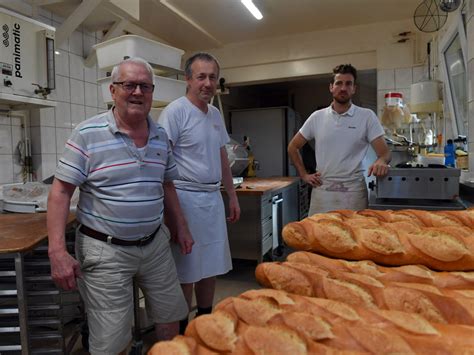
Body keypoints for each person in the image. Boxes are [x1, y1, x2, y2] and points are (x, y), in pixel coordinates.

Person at [47, 57, 193, 355]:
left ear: (152, 92)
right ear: (113, 91)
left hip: (155, 246)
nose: (137, 92)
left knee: (171, 320)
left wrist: (181, 225)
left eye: (145, 86)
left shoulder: (161, 135)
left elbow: (166, 184)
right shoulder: (87, 134)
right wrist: (57, 251)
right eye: (129, 85)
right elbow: (61, 192)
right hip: (106, 250)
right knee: (111, 341)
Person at [159, 52, 240, 333]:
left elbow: (221, 156)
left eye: (212, 77)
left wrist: (231, 195)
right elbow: (161, 161)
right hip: (185, 198)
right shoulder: (175, 111)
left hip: (212, 199)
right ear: (188, 79)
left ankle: (204, 323)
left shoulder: (215, 113)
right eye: (201, 76)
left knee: (212, 265)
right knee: (188, 269)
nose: (207, 83)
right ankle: (182, 332)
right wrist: (173, 216)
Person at [288, 64, 391, 215]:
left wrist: (381, 161)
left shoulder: (367, 116)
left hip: (354, 192)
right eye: (339, 83)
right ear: (331, 87)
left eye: (348, 83)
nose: (343, 88)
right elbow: (293, 147)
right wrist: (304, 175)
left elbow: (385, 153)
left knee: (354, 236)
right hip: (322, 191)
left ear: (354, 88)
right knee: (319, 236)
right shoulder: (317, 117)